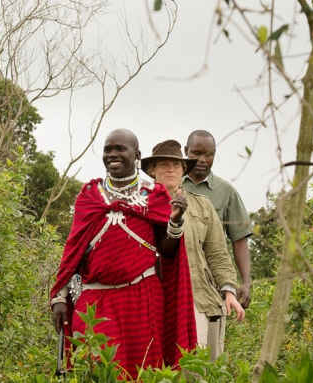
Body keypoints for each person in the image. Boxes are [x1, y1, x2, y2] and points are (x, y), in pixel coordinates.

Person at [49, 129, 197, 379]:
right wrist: (60, 297)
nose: (112, 155)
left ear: (137, 155)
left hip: (142, 297)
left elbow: (168, 252)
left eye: (120, 149)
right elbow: (73, 251)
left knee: (142, 373)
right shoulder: (89, 196)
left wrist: (175, 221)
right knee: (95, 370)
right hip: (95, 300)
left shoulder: (154, 196)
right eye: (108, 150)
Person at [141, 139, 245, 361]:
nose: (170, 169)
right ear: (152, 171)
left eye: (176, 165)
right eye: (163, 164)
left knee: (198, 368)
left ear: (183, 170)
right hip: (153, 300)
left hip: (198, 299)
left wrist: (229, 290)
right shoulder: (140, 206)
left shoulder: (202, 205)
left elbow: (218, 253)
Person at [183, 130, 254, 308]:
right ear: (186, 151)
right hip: (178, 277)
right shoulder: (171, 186)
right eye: (196, 153)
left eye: (209, 154)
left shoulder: (226, 192)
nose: (202, 160)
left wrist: (246, 282)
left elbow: (239, 239)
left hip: (212, 282)